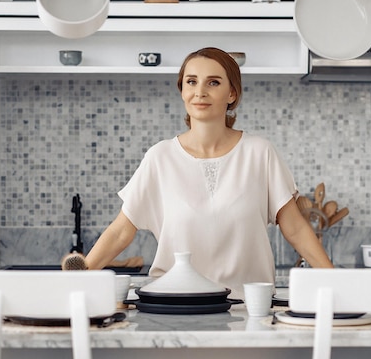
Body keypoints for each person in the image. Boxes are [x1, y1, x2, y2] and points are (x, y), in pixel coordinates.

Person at [81, 47, 333, 300]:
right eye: (191, 82)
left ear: (232, 93)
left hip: (247, 308)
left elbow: (296, 229)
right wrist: (75, 278)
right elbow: (121, 231)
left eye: (213, 82)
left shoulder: (260, 153)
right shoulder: (160, 157)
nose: (200, 91)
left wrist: (336, 281)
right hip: (173, 306)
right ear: (182, 91)